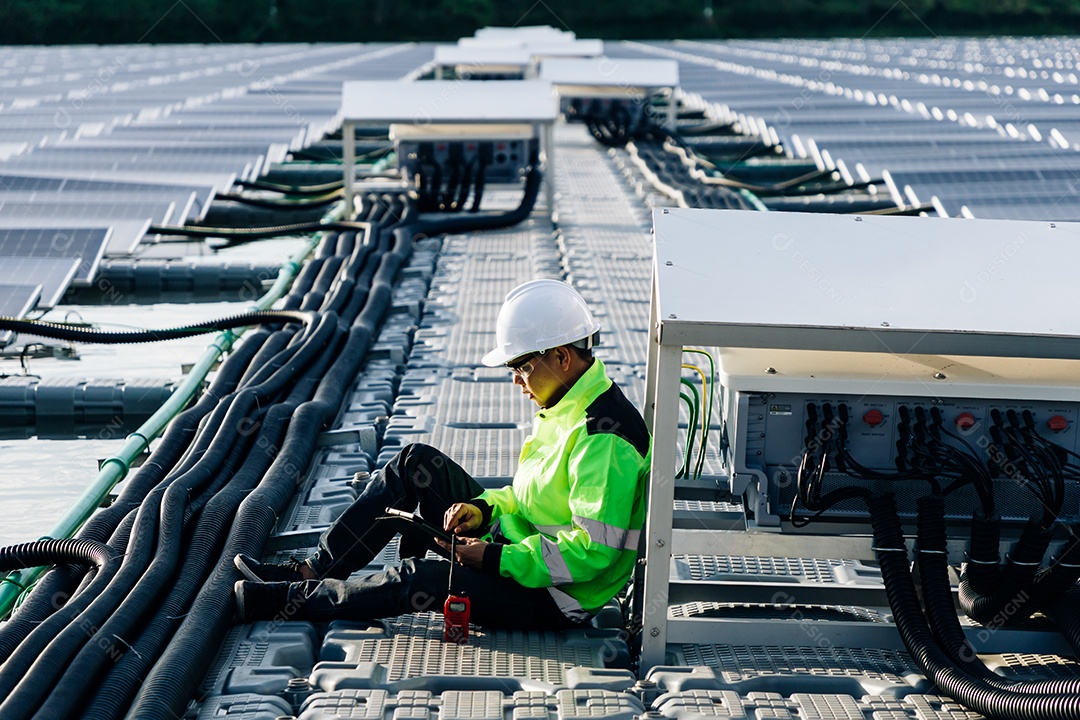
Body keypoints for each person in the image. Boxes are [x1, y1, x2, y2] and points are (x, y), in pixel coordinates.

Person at [233, 279, 650, 630]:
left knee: (422, 580)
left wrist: (492, 557)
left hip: (553, 596)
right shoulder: (567, 403)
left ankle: (286, 599)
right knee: (414, 464)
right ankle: (316, 569)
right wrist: (482, 509)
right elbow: (531, 499)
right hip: (519, 551)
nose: (517, 382)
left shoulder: (603, 439)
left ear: (560, 357)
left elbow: (591, 553)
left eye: (521, 367)